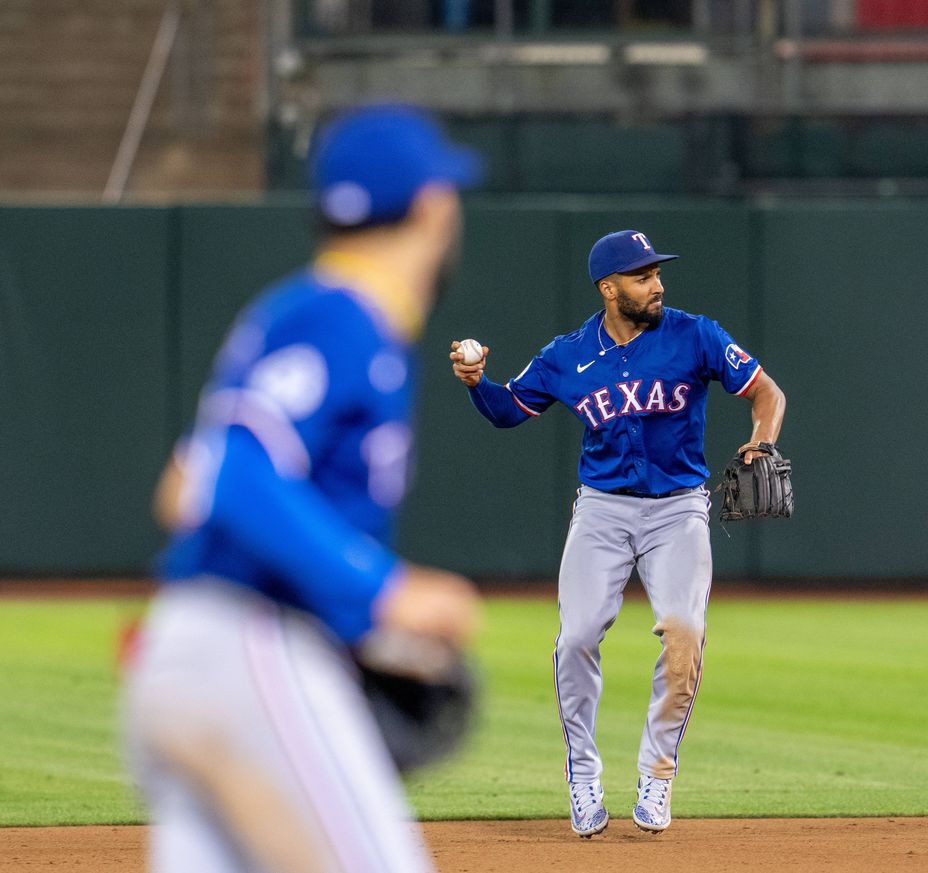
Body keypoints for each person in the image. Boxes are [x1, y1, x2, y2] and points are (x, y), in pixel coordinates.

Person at [121, 104, 483, 873]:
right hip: (251, 646)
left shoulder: (292, 313)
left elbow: (182, 485)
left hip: (185, 657)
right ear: (433, 206)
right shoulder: (343, 319)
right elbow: (234, 473)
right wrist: (380, 587)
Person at [449, 230, 786, 836]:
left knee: (685, 635)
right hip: (602, 511)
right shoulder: (566, 355)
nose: (657, 284)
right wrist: (478, 385)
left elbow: (766, 392)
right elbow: (507, 411)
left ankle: (657, 774)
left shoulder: (695, 335)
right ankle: (582, 772)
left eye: (657, 273)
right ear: (609, 289)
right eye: (642, 276)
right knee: (576, 636)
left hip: (679, 510)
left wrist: (762, 440)